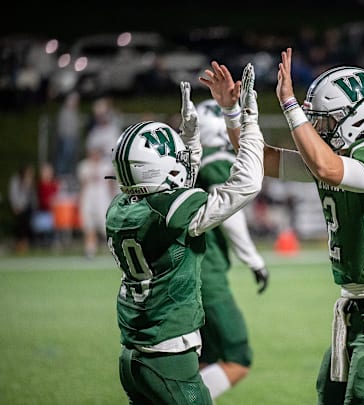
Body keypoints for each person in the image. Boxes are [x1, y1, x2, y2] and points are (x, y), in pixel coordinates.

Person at [200, 47, 364, 405]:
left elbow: (327, 169)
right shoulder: (335, 157)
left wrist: (289, 104)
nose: (319, 127)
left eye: (327, 119)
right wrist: (231, 111)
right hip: (352, 307)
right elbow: (262, 160)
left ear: (357, 117)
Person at [107, 74, 264, 405]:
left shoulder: (120, 209)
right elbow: (247, 184)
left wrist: (189, 141)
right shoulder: (172, 212)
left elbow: (175, 190)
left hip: (134, 355)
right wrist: (248, 122)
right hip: (168, 356)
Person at [193, 97, 270, 400]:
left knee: (203, 358)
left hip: (184, 269)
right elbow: (230, 216)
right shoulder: (215, 161)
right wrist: (254, 260)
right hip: (206, 272)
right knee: (237, 356)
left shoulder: (187, 164)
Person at [77, 144, 116, 259]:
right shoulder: (84, 166)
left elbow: (111, 185)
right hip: (88, 199)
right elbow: (83, 183)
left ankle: (115, 250)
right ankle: (90, 251)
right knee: (89, 226)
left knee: (106, 227)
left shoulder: (106, 166)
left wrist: (113, 199)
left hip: (102, 200)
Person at [8, 163, 36, 254]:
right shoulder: (16, 180)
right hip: (18, 206)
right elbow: (13, 194)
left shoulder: (30, 181)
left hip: (27, 207)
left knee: (27, 224)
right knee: (20, 224)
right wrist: (15, 206)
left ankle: (25, 243)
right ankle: (19, 243)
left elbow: (31, 196)